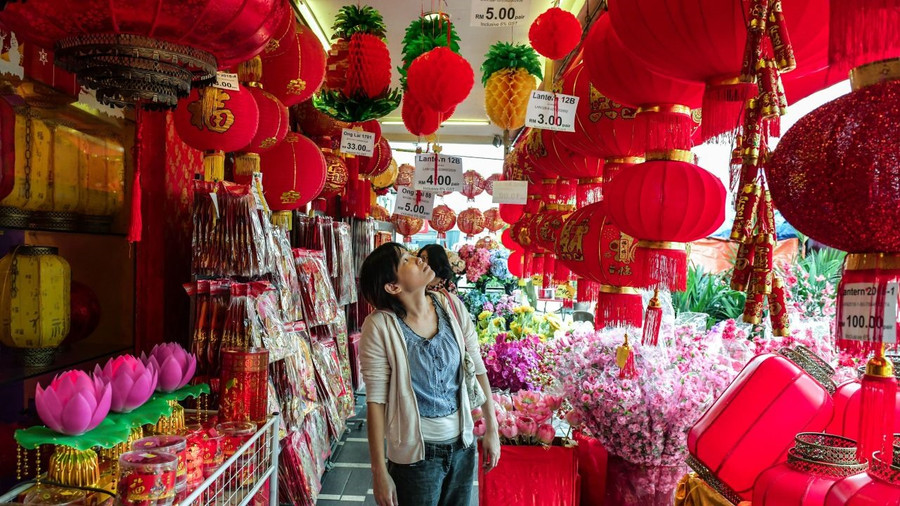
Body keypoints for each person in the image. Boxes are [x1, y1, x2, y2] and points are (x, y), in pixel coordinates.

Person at [359, 243, 501, 506]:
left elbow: (477, 367)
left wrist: (492, 428)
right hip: (415, 458)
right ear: (393, 286)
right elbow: (376, 401)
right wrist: (379, 471)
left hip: (463, 447)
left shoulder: (452, 306)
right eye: (405, 260)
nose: (418, 260)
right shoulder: (379, 326)